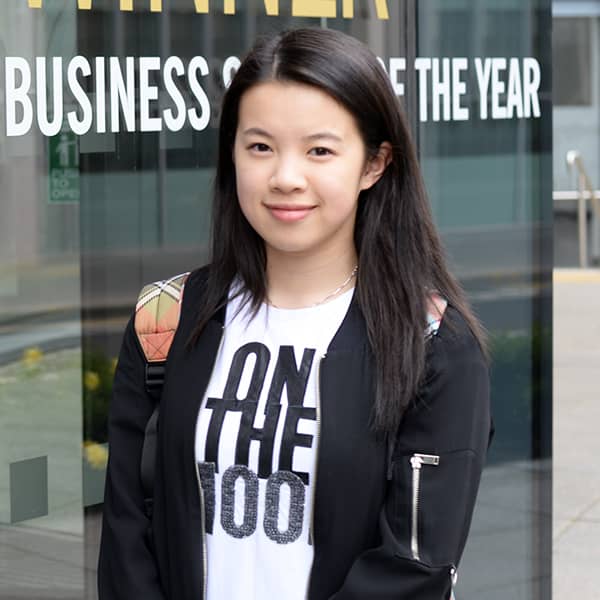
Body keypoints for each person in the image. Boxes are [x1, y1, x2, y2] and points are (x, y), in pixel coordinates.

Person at [98, 27, 492, 600]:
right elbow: (127, 533)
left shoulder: (433, 343)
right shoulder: (165, 317)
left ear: (374, 164)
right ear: (231, 153)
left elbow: (414, 568)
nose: (285, 177)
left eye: (320, 150)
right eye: (260, 147)